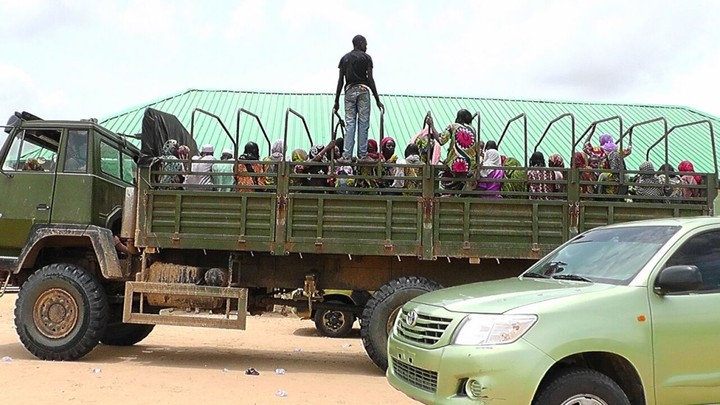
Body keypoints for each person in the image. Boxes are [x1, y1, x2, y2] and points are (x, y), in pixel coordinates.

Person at [333, 35, 383, 162]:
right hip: (363, 90)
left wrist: (336, 101)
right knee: (363, 122)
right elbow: (370, 79)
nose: (366, 46)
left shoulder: (344, 59)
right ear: (360, 43)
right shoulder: (367, 58)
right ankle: (362, 155)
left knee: (350, 123)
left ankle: (346, 156)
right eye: (365, 44)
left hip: (349, 90)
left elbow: (340, 81)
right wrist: (377, 99)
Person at [425, 109, 478, 193]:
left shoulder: (453, 126)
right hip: (469, 165)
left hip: (455, 165)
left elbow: (441, 140)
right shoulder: (473, 130)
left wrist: (432, 125)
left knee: (442, 176)